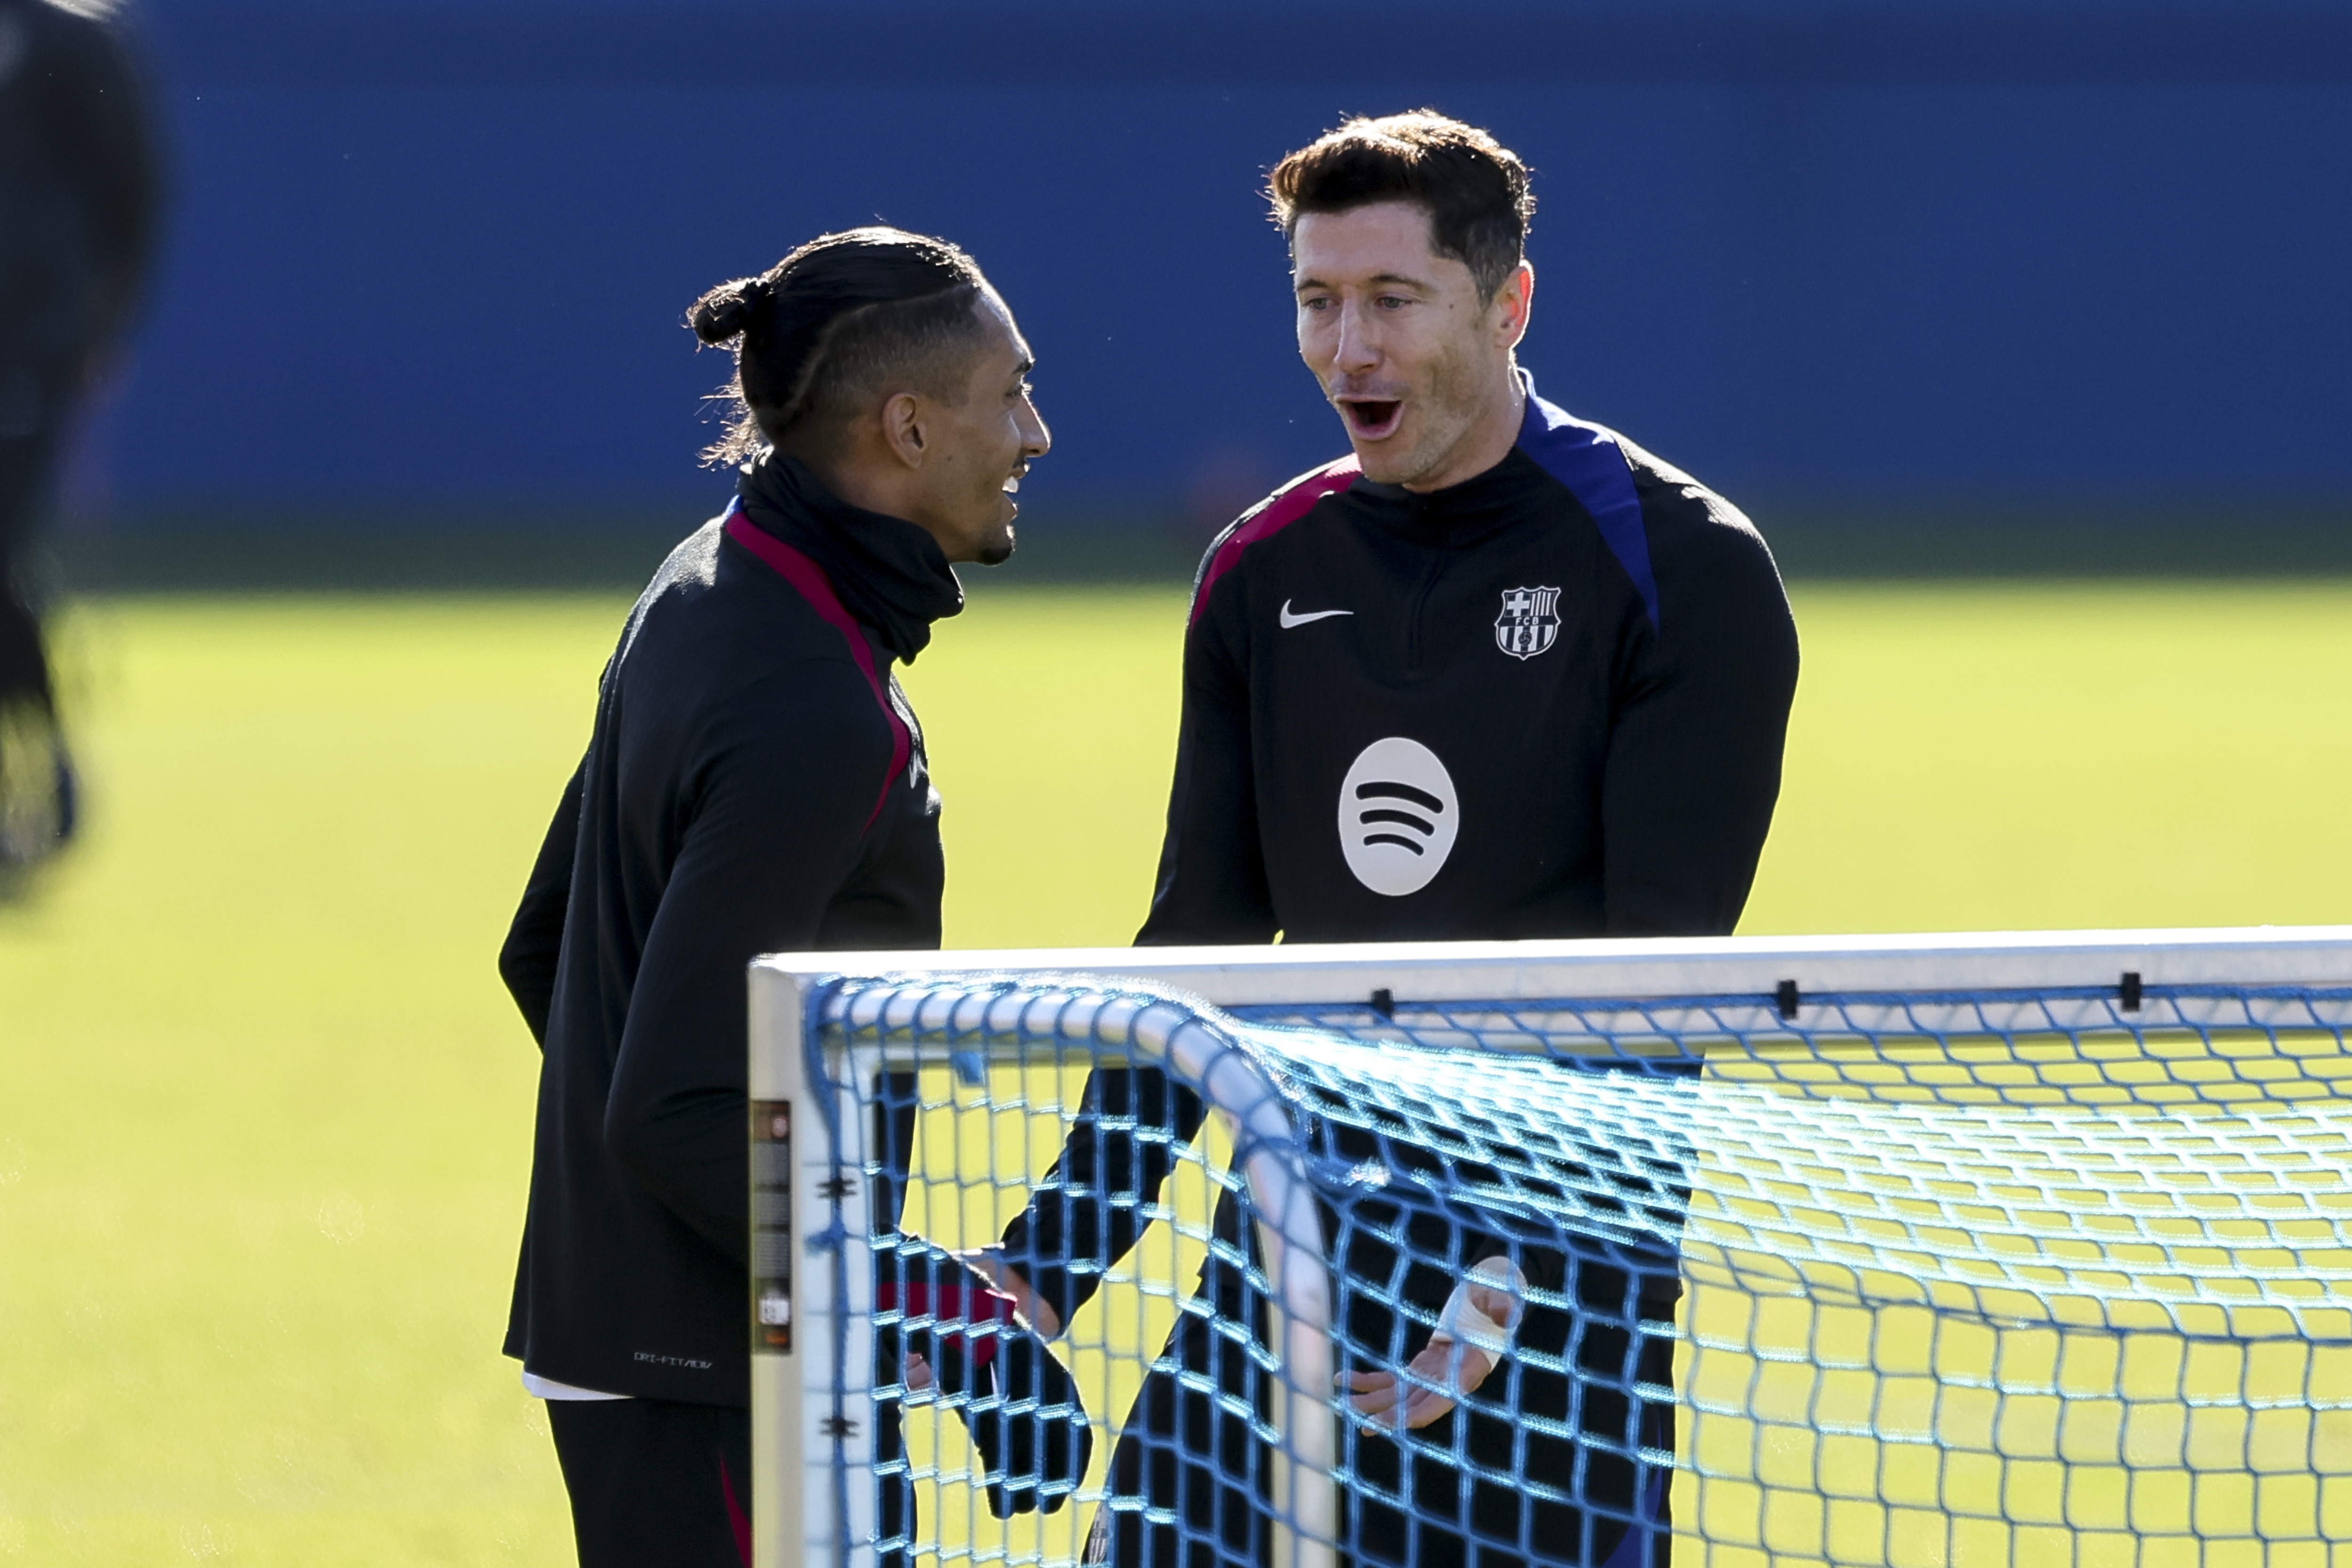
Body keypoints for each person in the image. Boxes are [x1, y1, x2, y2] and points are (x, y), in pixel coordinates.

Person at [960, 112, 1801, 1568]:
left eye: (1392, 301)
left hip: (1559, 1284)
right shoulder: (1257, 572)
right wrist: (1046, 1261)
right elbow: (1197, 949)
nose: (1348, 347)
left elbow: (1650, 1002)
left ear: (1507, 303)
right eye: (1316, 299)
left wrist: (1497, 1288)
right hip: (1301, 1228)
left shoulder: (1686, 570)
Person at [497, 228, 1075, 1568]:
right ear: (911, 424)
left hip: (687, 1345)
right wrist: (938, 1306)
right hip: (717, 1376)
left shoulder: (711, 573)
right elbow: (672, 1102)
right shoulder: (816, 703)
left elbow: (548, 947)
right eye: (1013, 393)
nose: (1036, 432)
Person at [0, 0, 161, 883]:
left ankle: (49, 759)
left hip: (30, 341)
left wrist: (99, 323)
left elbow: (132, 189)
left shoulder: (73, 39)